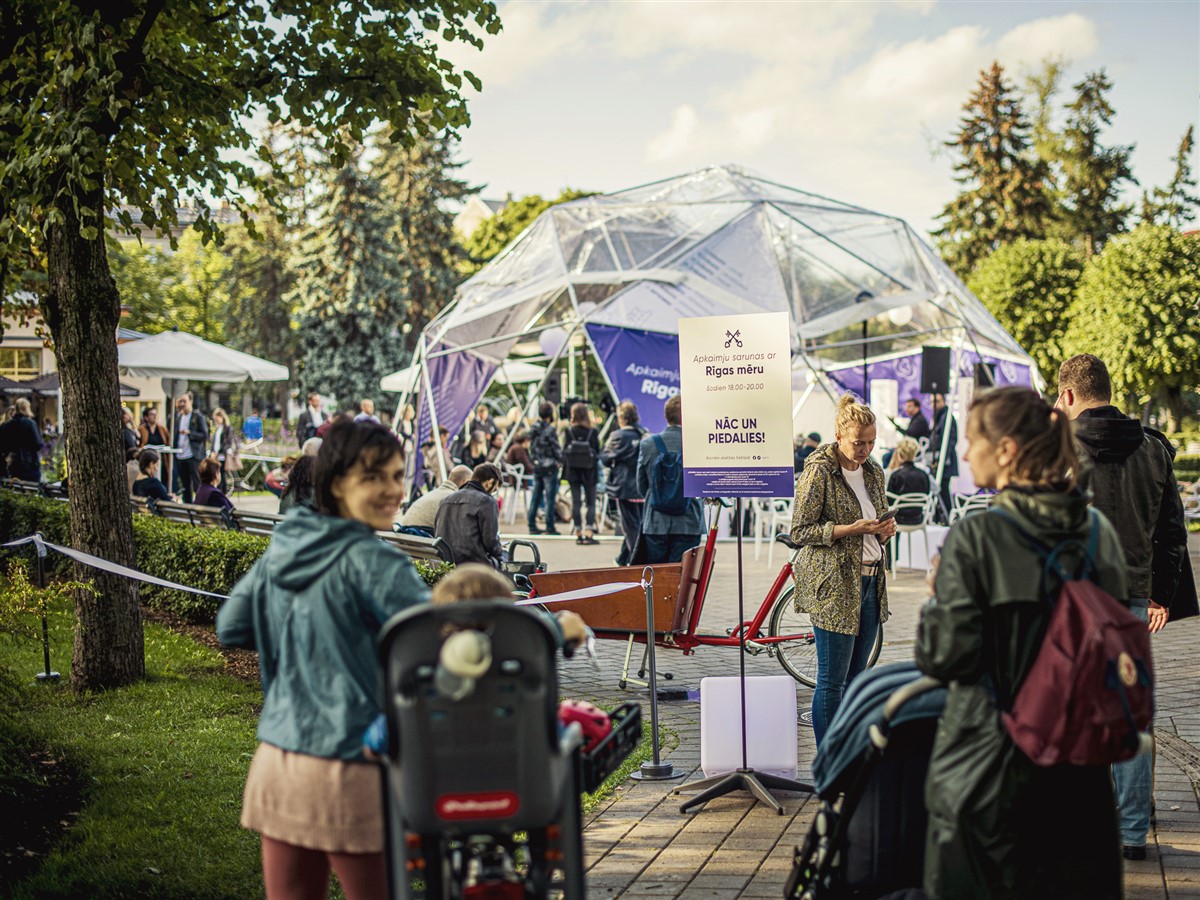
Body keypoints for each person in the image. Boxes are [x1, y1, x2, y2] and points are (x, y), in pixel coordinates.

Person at [915, 385, 1128, 900]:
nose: (966, 454)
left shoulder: (976, 538)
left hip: (989, 769)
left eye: (972, 441)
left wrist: (936, 597)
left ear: (1007, 450)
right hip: (1080, 773)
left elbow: (944, 657)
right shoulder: (1098, 533)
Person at [217, 420, 427, 900]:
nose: (394, 490)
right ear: (336, 485)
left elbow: (231, 626)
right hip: (353, 766)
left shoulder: (284, 547)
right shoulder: (378, 563)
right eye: (374, 477)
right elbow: (439, 648)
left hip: (278, 760)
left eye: (398, 476)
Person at [1057, 352, 1190, 860]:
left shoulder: (1057, 448)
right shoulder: (1154, 449)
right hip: (1132, 597)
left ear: (1069, 395)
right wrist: (1160, 594)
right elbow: (1173, 532)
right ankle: (1132, 832)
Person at [790, 394, 895, 745]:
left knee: (857, 679)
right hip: (835, 585)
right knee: (832, 682)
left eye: (871, 442)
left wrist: (884, 530)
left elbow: (875, 525)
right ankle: (828, 758)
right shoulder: (819, 470)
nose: (866, 449)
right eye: (858, 442)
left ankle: (849, 753)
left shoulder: (874, 471)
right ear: (838, 435)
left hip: (871, 582)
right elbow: (800, 531)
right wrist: (850, 529)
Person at [636, 394, 704, 563]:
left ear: (666, 416)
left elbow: (641, 485)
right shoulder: (697, 444)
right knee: (684, 574)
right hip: (689, 522)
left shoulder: (647, 444)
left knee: (657, 574)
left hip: (656, 521)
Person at [435, 463, 506, 568]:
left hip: (447, 562)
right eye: (494, 489)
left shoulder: (446, 500)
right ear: (490, 482)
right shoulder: (487, 501)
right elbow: (490, 542)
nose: (492, 493)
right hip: (473, 564)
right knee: (506, 558)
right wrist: (501, 556)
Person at [601, 401, 645, 565]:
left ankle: (636, 562)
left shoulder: (618, 436)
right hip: (642, 487)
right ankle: (622, 559)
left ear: (621, 417)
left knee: (630, 527)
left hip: (624, 486)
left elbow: (605, 458)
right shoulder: (644, 433)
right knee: (638, 525)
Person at [562, 402, 600, 545]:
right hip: (589, 471)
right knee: (591, 502)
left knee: (576, 502)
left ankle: (578, 532)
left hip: (573, 471)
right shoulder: (592, 431)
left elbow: (565, 450)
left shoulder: (569, 431)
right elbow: (597, 451)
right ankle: (589, 531)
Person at [399, 464, 472, 535]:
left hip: (403, 538)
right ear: (465, 482)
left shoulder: (431, 494)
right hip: (423, 540)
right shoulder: (454, 500)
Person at [526, 402, 563, 537]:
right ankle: (549, 526)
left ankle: (531, 524)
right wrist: (560, 460)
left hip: (537, 465)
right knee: (550, 497)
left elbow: (531, 447)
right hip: (549, 466)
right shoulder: (550, 430)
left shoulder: (533, 428)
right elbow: (555, 447)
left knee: (536, 496)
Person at [885, 439, 932, 525]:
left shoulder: (895, 475)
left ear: (900, 454)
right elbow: (928, 494)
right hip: (918, 518)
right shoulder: (924, 474)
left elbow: (889, 501)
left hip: (898, 519)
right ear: (914, 454)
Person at [174, 393, 209, 504]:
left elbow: (205, 435)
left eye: (184, 401)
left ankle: (200, 504)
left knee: (197, 483)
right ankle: (188, 506)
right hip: (180, 455)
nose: (182, 404)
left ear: (191, 401)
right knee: (185, 485)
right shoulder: (178, 417)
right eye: (180, 401)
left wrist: (190, 433)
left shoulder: (197, 416)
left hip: (193, 455)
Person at [929, 393, 958, 522]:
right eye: (932, 402)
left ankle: (947, 518)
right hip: (939, 461)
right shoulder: (939, 417)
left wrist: (941, 460)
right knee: (939, 490)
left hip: (945, 463)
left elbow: (950, 442)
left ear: (944, 401)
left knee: (943, 490)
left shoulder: (947, 418)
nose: (934, 405)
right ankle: (940, 517)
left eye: (937, 401)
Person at [209, 407, 241, 495]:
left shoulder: (227, 428)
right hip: (215, 455)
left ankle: (222, 493)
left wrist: (218, 452)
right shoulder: (218, 428)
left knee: (221, 475)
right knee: (217, 475)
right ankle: (219, 493)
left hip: (222, 455)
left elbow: (228, 443)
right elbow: (215, 442)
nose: (216, 421)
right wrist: (212, 451)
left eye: (217, 419)